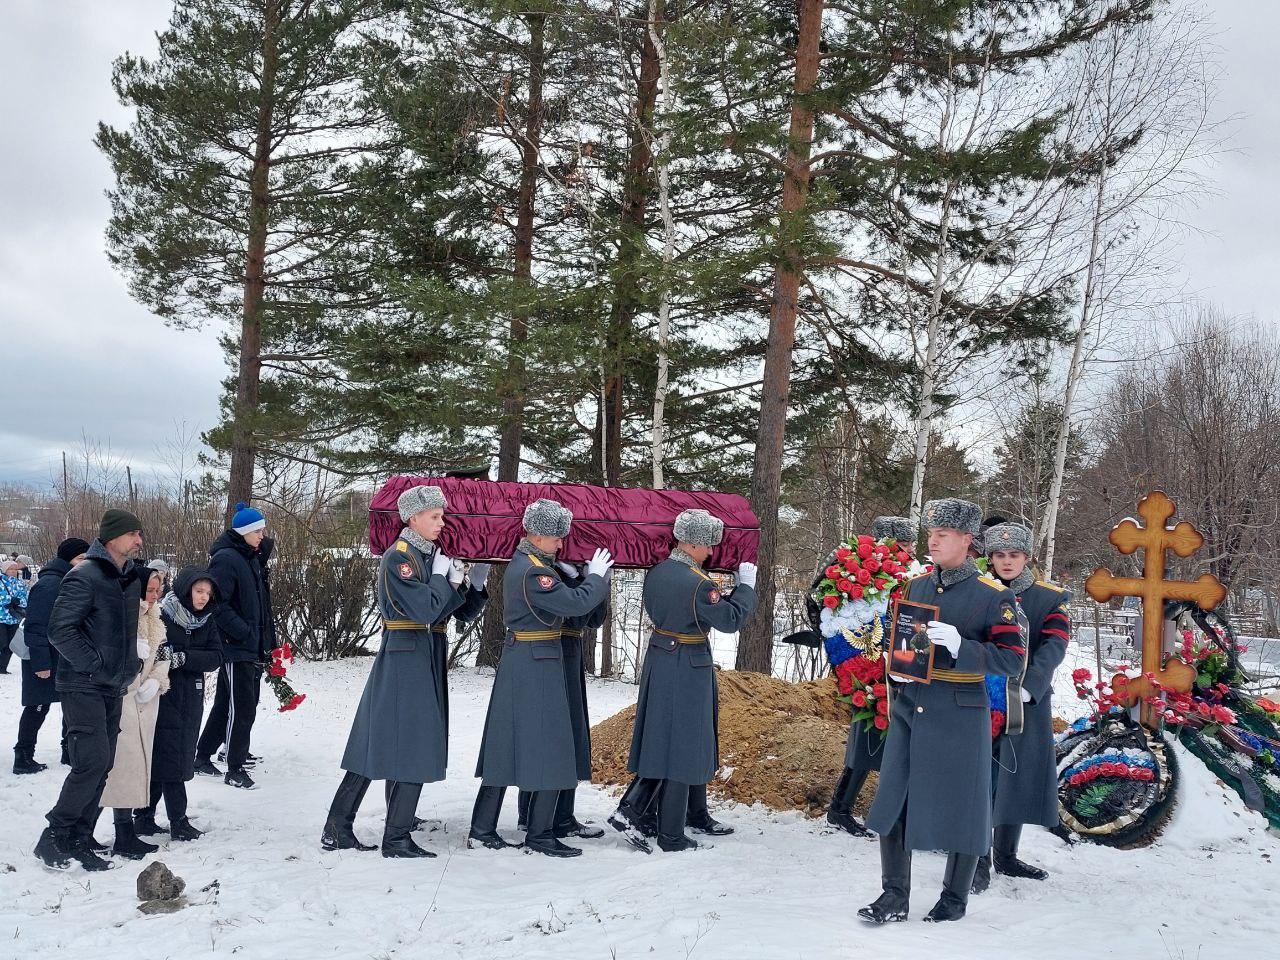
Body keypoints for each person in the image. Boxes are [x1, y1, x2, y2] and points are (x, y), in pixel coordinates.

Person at [859, 498, 1024, 924]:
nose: (932, 541)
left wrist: (961, 647)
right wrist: (896, 672)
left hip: (960, 709)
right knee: (895, 797)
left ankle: (954, 899)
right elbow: (899, 642)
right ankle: (894, 895)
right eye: (931, 533)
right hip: (913, 708)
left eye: (943, 534)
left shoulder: (994, 596)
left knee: (964, 805)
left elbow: (1012, 659)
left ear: (967, 541)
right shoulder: (916, 587)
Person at [323, 485, 481, 858]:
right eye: (434, 516)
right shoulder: (400, 558)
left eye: (442, 516)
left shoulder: (424, 556)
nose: (442, 523)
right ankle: (392, 838)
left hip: (417, 652)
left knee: (386, 742)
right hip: (405, 654)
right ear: (413, 518)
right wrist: (444, 579)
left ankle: (342, 826)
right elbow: (425, 609)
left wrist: (462, 582)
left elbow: (441, 610)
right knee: (406, 743)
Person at [469, 499, 614, 858]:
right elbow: (573, 605)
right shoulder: (536, 572)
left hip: (530, 659)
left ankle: (485, 828)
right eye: (556, 537)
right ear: (537, 533)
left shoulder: (532, 565)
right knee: (550, 746)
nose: (561, 544)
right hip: (536, 661)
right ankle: (539, 835)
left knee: (509, 746)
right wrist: (594, 577)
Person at [610, 509, 758, 854]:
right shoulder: (698, 583)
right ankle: (671, 833)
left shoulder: (658, 572)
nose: (710, 552)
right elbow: (730, 619)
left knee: (678, 738)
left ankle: (694, 813)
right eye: (706, 545)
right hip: (687, 665)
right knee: (684, 744)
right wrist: (746, 588)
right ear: (690, 543)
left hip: (662, 658)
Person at [35, 509, 147, 871]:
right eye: (132, 534)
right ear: (112, 537)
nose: (138, 540)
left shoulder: (128, 578)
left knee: (106, 763)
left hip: (114, 686)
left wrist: (129, 667)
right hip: (82, 684)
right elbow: (60, 630)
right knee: (91, 761)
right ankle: (54, 835)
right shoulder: (83, 576)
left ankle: (80, 837)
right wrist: (96, 663)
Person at [970, 521, 1071, 893]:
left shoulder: (1049, 598)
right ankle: (977, 858)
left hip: (1028, 701)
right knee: (981, 778)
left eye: (1014, 555)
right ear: (990, 558)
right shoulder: (978, 591)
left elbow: (1054, 645)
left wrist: (1031, 687)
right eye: (999, 555)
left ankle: (1007, 855)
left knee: (1014, 775)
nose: (1007, 562)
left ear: (1026, 557)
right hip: (981, 698)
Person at [827, 515, 917, 838]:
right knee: (867, 738)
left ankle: (898, 812)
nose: (909, 551)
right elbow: (824, 607)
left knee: (897, 744)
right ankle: (840, 807)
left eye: (910, 546)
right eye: (904, 545)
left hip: (902, 665)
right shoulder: (854, 568)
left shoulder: (912, 573)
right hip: (865, 666)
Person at [514, 557, 610, 840]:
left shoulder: (566, 570)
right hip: (554, 650)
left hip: (570, 650)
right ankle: (538, 815)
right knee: (553, 735)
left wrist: (598, 581)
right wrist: (585, 580)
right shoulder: (545, 571)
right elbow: (576, 611)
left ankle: (560, 814)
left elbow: (595, 619)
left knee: (571, 733)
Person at [136, 566, 224, 842]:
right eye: (199, 591)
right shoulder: (164, 615)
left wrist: (185, 657)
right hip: (161, 695)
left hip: (191, 697)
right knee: (166, 758)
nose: (203, 598)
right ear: (187, 589)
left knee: (176, 756)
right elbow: (152, 650)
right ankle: (174, 820)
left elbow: (216, 656)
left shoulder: (206, 621)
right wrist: (166, 659)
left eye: (208, 593)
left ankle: (146, 817)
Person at [195, 502, 276, 789]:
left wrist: (267, 641)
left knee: (228, 705)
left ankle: (203, 755)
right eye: (258, 531)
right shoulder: (227, 560)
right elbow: (215, 603)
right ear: (244, 532)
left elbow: (261, 604)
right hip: (235, 645)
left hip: (250, 644)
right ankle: (234, 766)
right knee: (241, 707)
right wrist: (241, 632)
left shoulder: (249, 557)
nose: (263, 535)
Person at [98, 568, 169, 859]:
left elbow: (164, 651)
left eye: (157, 591)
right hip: (121, 700)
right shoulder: (122, 615)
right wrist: (129, 655)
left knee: (134, 765)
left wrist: (156, 679)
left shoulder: (155, 618)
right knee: (119, 768)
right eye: (149, 591)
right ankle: (119, 832)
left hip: (145, 701)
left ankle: (121, 831)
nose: (153, 597)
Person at [15, 538, 89, 774]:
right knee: (37, 706)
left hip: (63, 656)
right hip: (44, 657)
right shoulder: (50, 584)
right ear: (68, 559)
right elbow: (35, 626)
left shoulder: (68, 580)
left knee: (71, 705)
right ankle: (23, 756)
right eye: (80, 559)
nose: (83, 564)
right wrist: (40, 663)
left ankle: (69, 750)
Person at [0, 557, 30, 674]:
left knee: (11, 644)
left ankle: (2, 667)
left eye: (15, 569)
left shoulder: (19, 583)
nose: (13, 571)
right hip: (1, 618)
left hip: (14, 618)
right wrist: (10, 599)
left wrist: (18, 601)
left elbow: (25, 599)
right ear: (4, 570)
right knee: (2, 642)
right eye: (10, 569)